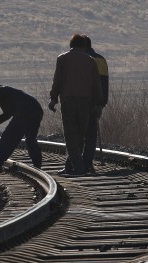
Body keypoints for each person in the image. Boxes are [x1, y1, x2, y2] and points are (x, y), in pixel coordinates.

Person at [49, 34, 103, 176]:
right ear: (84, 46)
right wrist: (98, 104)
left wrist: (53, 99)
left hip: (68, 102)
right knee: (80, 135)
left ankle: (78, 168)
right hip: (85, 102)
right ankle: (75, 166)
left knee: (71, 134)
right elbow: (96, 85)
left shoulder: (62, 59)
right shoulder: (91, 61)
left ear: (71, 44)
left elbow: (57, 80)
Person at [82, 35, 109, 174]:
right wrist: (102, 103)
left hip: (80, 101)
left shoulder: (79, 59)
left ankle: (76, 163)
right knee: (91, 134)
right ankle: (87, 163)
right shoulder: (101, 60)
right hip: (95, 102)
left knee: (77, 133)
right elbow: (104, 83)